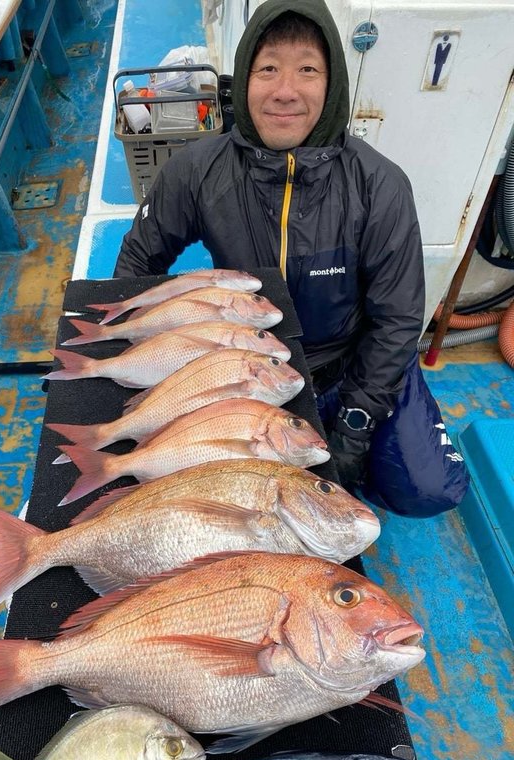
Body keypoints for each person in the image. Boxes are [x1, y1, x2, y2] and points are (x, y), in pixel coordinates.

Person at [114, 0, 469, 517]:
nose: (285, 90)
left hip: (349, 363)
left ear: (333, 85)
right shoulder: (195, 170)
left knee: (430, 490)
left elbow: (397, 321)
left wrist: (355, 422)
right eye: (268, 68)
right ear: (244, 81)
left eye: (307, 69)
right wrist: (135, 353)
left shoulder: (381, 185)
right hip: (246, 364)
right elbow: (137, 263)